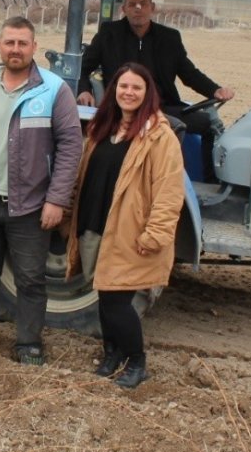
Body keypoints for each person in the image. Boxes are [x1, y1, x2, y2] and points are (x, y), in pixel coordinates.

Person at [0, 16, 82, 365]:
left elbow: (70, 147)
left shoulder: (54, 90)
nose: (15, 49)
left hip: (29, 204)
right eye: (9, 42)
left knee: (30, 278)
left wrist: (57, 199)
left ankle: (28, 342)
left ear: (34, 47)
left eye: (22, 43)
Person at [66, 63, 184, 388]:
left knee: (117, 302)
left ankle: (137, 361)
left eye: (136, 88)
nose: (128, 93)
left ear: (148, 94)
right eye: (123, 87)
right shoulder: (102, 126)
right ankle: (112, 354)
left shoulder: (160, 137)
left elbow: (169, 191)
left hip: (130, 232)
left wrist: (156, 233)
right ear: (114, 90)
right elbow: (83, 175)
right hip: (95, 223)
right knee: (104, 297)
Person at [75, 0, 234, 179]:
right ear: (124, 9)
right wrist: (84, 90)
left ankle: (209, 181)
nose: (138, 9)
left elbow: (189, 73)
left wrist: (214, 90)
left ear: (153, 7)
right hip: (124, 107)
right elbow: (83, 67)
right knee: (173, 127)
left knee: (208, 124)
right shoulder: (109, 34)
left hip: (162, 105)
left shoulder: (169, 38)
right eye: (132, 4)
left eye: (143, 4)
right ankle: (165, 179)